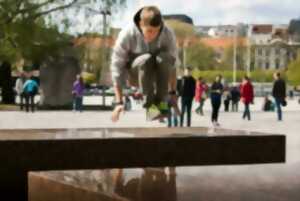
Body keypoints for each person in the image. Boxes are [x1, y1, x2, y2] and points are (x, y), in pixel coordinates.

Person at [110, 6, 178, 122]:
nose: (154, 35)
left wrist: (172, 93)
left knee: (166, 58)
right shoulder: (127, 34)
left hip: (156, 74)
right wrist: (119, 102)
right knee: (146, 59)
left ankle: (162, 107)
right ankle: (150, 108)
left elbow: (173, 66)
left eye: (157, 31)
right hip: (134, 75)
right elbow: (116, 68)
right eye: (150, 31)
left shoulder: (167, 33)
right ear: (141, 25)